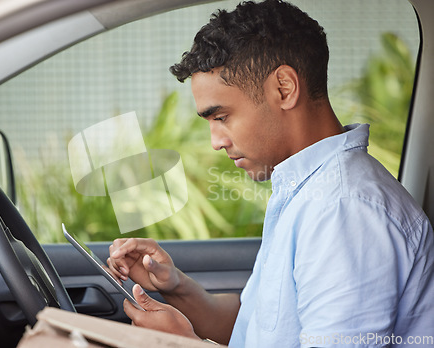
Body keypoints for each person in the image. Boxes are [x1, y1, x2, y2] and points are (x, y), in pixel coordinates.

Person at [107, 0, 434, 346]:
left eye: (221, 117)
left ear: (284, 89)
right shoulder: (305, 189)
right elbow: (254, 330)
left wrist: (180, 344)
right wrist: (174, 286)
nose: (216, 142)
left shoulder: (344, 209)